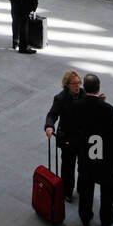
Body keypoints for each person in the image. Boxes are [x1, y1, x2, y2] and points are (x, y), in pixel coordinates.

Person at [69, 73, 113, 226]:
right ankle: (106, 220)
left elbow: (76, 130)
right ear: (99, 88)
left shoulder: (77, 106)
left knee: (86, 189)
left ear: (84, 88)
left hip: (86, 157)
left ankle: (85, 217)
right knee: (107, 191)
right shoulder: (108, 109)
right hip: (105, 158)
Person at [44, 70, 83, 201]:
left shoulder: (84, 94)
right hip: (68, 137)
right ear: (67, 85)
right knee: (68, 166)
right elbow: (52, 114)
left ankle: (82, 188)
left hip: (81, 137)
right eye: (74, 84)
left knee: (83, 165)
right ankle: (67, 191)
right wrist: (49, 126)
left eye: (78, 83)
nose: (77, 86)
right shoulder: (61, 98)